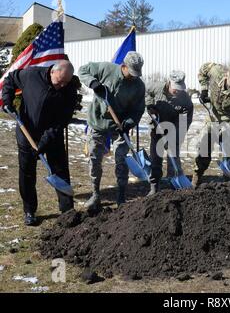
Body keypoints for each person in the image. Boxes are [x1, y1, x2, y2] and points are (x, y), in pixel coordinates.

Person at [1, 60, 79, 226]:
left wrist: (43, 143)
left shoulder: (69, 90)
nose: (62, 85)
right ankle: (29, 210)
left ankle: (67, 211)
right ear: (52, 72)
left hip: (52, 135)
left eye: (66, 82)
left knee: (59, 170)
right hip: (26, 131)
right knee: (27, 172)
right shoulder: (31, 75)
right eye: (60, 81)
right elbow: (10, 79)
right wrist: (7, 100)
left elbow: (60, 122)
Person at [78, 51, 146, 213]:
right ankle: (95, 194)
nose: (133, 77)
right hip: (97, 122)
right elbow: (82, 71)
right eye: (131, 73)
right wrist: (93, 83)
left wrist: (128, 123)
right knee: (94, 159)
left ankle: (121, 195)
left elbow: (138, 109)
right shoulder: (106, 69)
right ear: (123, 66)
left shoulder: (138, 86)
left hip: (120, 126)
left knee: (120, 159)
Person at [146, 70, 193, 195]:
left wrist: (175, 138)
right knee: (156, 158)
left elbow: (186, 120)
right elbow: (145, 91)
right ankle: (154, 187)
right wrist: (149, 105)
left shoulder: (185, 100)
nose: (177, 91)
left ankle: (175, 187)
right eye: (175, 89)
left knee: (174, 158)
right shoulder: (157, 87)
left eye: (180, 88)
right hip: (157, 127)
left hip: (174, 128)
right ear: (169, 83)